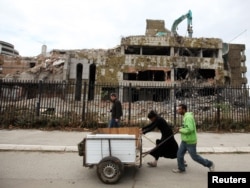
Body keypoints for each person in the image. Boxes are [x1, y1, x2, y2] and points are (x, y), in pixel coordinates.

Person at [172, 103, 215, 173]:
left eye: (179, 109)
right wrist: (180, 128)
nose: (178, 111)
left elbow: (190, 129)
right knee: (179, 154)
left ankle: (210, 164)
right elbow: (186, 127)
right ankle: (181, 168)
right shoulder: (185, 116)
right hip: (185, 141)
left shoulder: (188, 117)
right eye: (178, 109)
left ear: (184, 109)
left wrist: (180, 130)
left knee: (195, 157)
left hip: (190, 141)